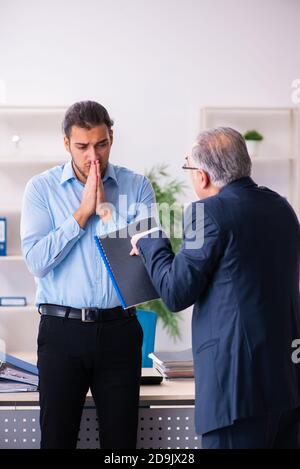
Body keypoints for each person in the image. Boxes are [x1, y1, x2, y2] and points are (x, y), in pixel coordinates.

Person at [131, 127, 300, 449]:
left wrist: (152, 242)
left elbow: (177, 292)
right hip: (287, 385)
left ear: (203, 176)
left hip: (237, 392)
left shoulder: (205, 212)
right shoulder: (282, 208)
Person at [21, 100, 155, 449]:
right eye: (82, 146)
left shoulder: (137, 187)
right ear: (66, 144)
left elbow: (145, 262)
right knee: (57, 441)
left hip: (119, 333)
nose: (93, 156)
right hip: (60, 333)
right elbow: (37, 262)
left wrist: (106, 211)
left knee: (121, 447)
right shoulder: (41, 189)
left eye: (101, 144)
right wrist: (81, 214)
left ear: (112, 137)